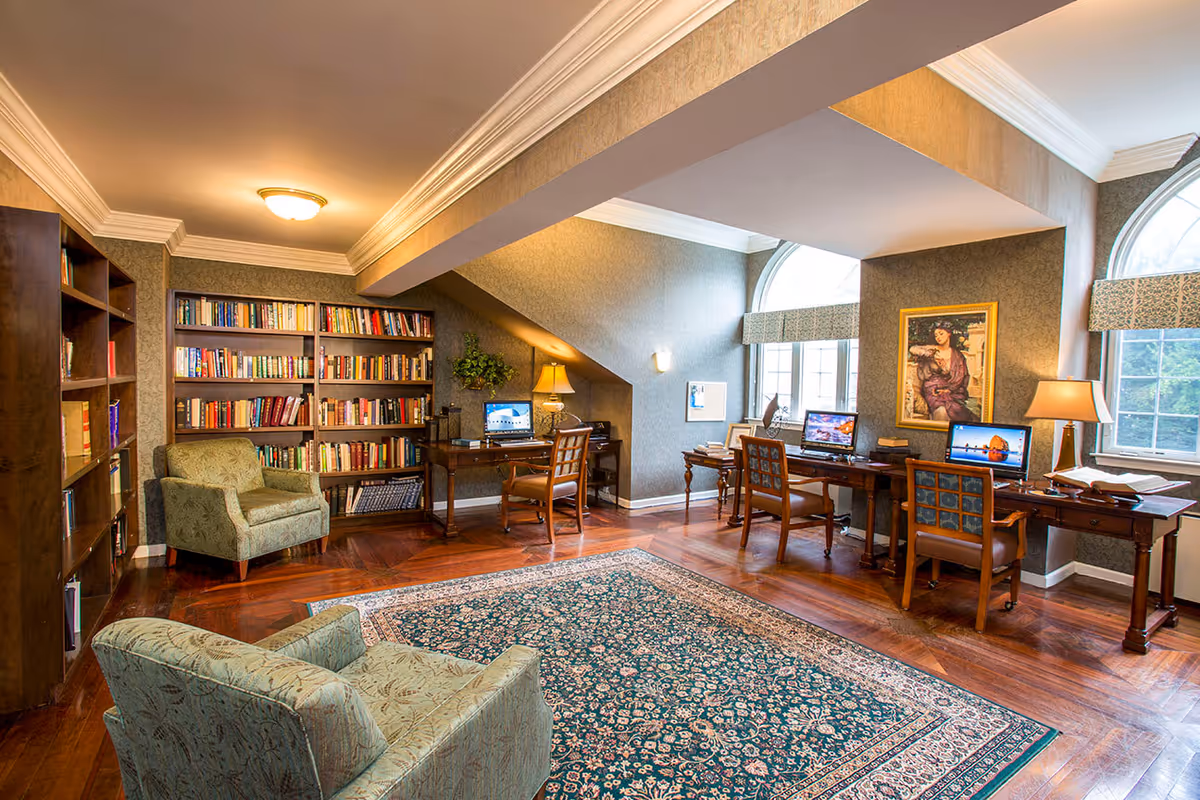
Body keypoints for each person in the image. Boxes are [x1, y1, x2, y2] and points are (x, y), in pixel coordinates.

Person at [908, 321, 978, 422]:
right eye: (936, 335)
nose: (938, 337)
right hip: (933, 390)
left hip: (952, 391)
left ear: (949, 334)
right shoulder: (933, 349)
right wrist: (929, 354)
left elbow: (963, 376)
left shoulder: (957, 355)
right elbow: (913, 348)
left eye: (941, 334)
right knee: (941, 411)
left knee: (964, 414)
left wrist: (949, 390)